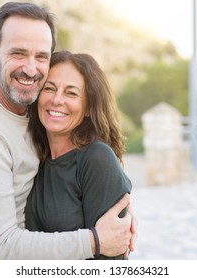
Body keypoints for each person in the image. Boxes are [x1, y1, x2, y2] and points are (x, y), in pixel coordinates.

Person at [0, 2, 133, 260]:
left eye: (41, 56)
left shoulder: (32, 115)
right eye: (18, 53)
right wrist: (96, 240)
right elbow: (6, 248)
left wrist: (116, 216)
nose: (31, 69)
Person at [25, 51, 132, 260]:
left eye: (71, 93)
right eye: (49, 88)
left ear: (88, 108)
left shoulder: (97, 159)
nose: (57, 100)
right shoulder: (33, 154)